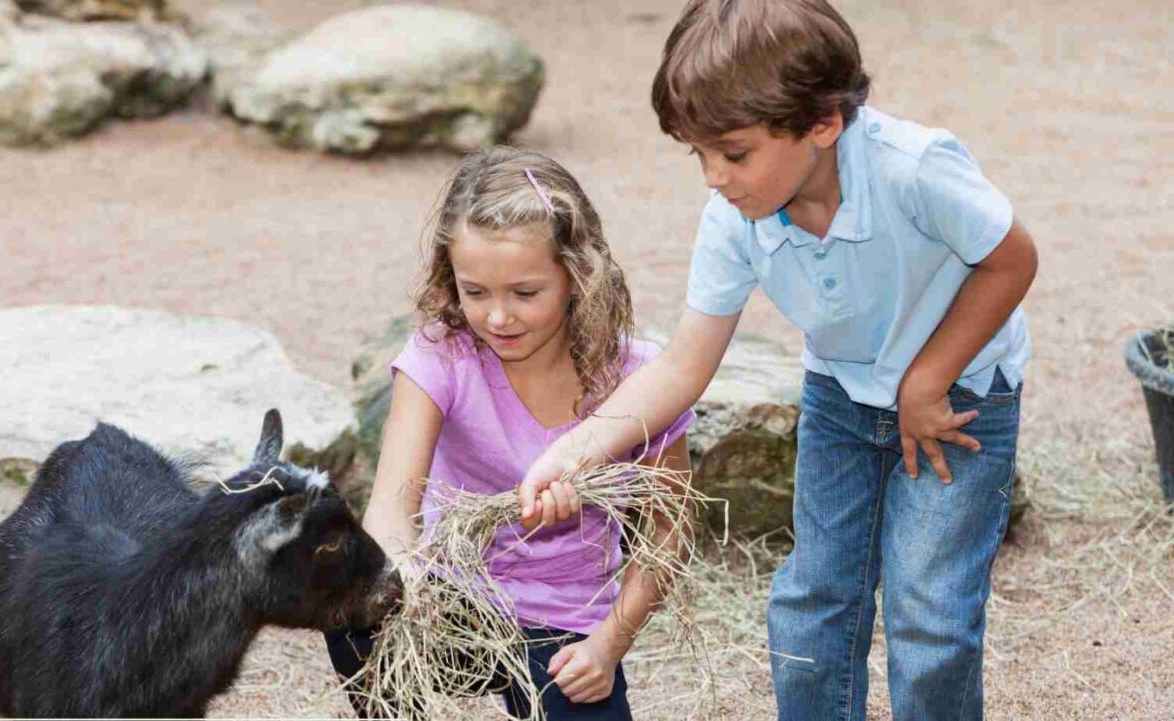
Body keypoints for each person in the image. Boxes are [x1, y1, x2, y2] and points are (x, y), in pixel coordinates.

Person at [517, 1, 1039, 719]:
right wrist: (576, 449)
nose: (713, 177)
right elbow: (681, 367)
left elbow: (1012, 260)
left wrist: (928, 377)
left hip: (960, 397)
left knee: (928, 612)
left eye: (732, 153)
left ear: (823, 123)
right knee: (810, 603)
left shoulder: (913, 170)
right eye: (696, 153)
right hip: (841, 395)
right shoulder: (736, 215)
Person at [325, 146, 696, 720]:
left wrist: (608, 644)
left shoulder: (639, 379)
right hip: (453, 599)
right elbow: (391, 511)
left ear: (578, 276)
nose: (498, 317)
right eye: (475, 293)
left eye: (525, 293)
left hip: (566, 619)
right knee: (351, 599)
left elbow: (671, 531)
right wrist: (408, 580)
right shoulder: (440, 358)